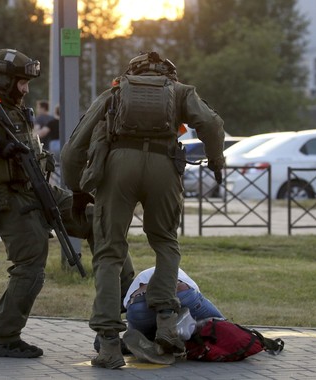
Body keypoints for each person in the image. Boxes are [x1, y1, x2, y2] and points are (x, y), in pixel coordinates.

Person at [61, 51, 225, 369]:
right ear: (168, 76)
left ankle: (109, 344)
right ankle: (166, 323)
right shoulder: (180, 92)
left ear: (132, 74)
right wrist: (216, 160)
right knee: (165, 243)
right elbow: (211, 123)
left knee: (109, 253)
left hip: (118, 168)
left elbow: (73, 148)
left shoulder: (114, 93)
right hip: (164, 168)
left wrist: (77, 189)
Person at [122, 266, 225, 364]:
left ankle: (151, 341)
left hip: (137, 304)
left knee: (137, 331)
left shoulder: (141, 278)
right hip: (180, 292)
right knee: (221, 324)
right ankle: (180, 328)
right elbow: (194, 294)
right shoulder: (176, 268)